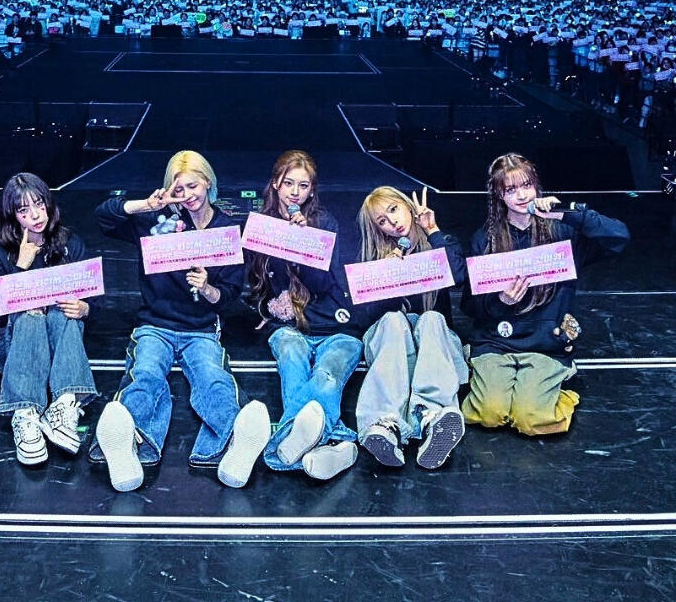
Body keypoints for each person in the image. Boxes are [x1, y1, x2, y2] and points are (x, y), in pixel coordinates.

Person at [91, 151, 271, 492]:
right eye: (179, 189)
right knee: (145, 373)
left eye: (193, 186)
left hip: (200, 329)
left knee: (213, 379)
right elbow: (103, 217)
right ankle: (128, 442)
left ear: (208, 183)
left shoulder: (227, 230)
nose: (187, 195)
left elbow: (229, 295)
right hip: (155, 324)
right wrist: (146, 205)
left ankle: (233, 443)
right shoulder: (156, 221)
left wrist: (206, 288)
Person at [459, 153, 630, 436]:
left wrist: (566, 214)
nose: (521, 195)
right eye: (510, 189)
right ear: (499, 195)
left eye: (526, 185)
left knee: (530, 419)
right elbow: (469, 305)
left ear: (536, 186)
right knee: (488, 414)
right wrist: (500, 301)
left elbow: (618, 237)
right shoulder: (485, 239)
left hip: (545, 345)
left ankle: (559, 391)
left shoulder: (563, 230)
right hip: (496, 342)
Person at [246, 150, 361, 481]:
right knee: (291, 358)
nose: (295, 192)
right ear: (275, 184)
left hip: (332, 324)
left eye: (303, 185)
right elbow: (248, 283)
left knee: (327, 374)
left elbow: (324, 284)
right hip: (289, 327)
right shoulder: (261, 226)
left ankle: (287, 445)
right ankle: (334, 443)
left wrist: (304, 242)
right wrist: (265, 308)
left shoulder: (325, 223)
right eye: (288, 184)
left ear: (312, 190)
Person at [0, 173, 97, 466]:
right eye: (24, 210)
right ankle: (25, 413)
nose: (35, 215)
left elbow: (92, 298)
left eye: (39, 205)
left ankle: (64, 405)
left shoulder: (69, 243)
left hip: (60, 347)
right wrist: (21, 266)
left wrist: (84, 308)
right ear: (12, 216)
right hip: (14, 346)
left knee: (63, 309)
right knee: (31, 313)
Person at [351, 187, 470, 470]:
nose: (392, 222)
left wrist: (433, 231)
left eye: (393, 210)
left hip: (434, 343)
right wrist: (385, 278)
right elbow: (366, 318)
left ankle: (433, 416)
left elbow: (460, 276)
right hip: (394, 345)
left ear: (407, 206)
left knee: (431, 318)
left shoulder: (440, 242)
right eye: (382, 221)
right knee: (393, 320)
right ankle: (384, 424)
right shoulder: (374, 257)